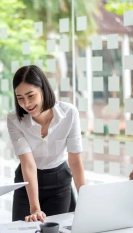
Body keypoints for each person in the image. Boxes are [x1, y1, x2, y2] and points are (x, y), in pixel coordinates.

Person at [7, 65, 85, 222]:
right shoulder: (14, 119)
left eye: (31, 95)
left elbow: (75, 161)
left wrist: (87, 201)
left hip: (59, 181)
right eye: (20, 98)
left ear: (43, 89)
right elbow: (28, 164)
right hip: (26, 182)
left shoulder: (69, 113)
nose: (26, 103)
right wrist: (35, 208)